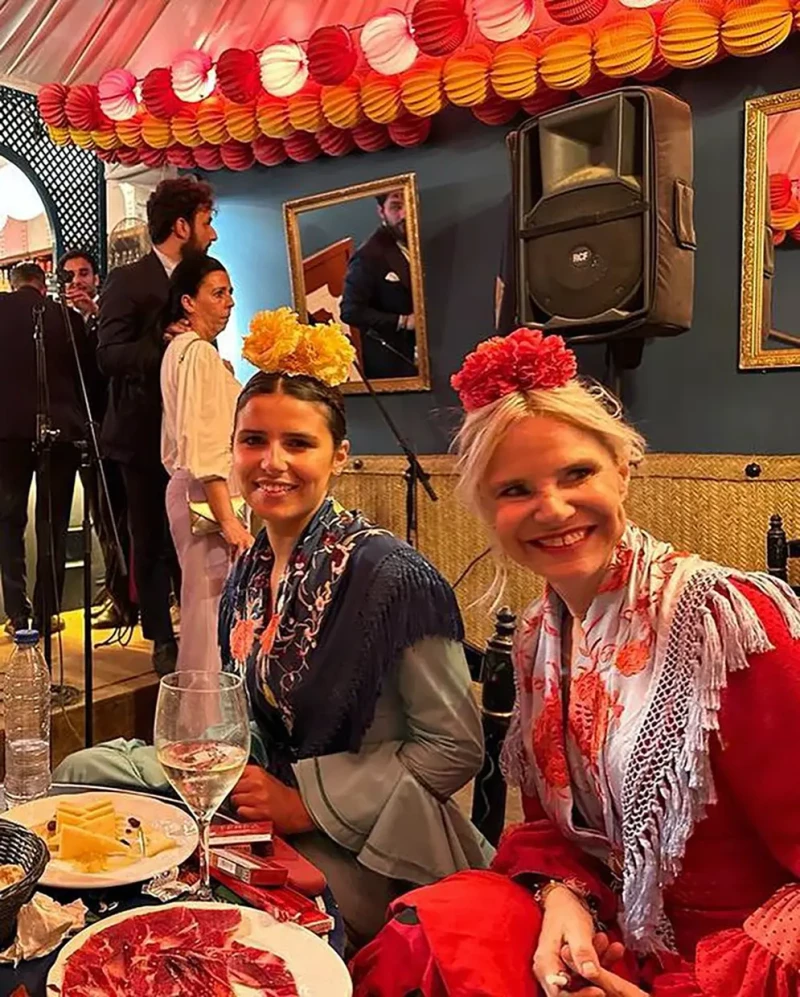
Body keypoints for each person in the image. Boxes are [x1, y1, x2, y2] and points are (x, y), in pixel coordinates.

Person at [351, 328, 800, 997]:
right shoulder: (541, 635)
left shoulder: (728, 626)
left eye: (577, 473)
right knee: (420, 943)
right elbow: (551, 827)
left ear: (622, 468)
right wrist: (564, 897)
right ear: (486, 509)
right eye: (515, 489)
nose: (552, 508)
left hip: (729, 969)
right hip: (606, 938)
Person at [55, 310, 490, 947]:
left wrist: (302, 803)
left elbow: (454, 750)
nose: (271, 463)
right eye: (253, 441)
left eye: (298, 444)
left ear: (339, 456)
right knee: (85, 771)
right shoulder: (253, 564)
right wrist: (213, 761)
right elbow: (246, 717)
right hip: (259, 791)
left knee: (206, 910)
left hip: (370, 841)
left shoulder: (394, 579)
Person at [97, 177, 217, 675]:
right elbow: (107, 355)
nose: (213, 235)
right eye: (207, 223)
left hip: (196, 431)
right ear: (181, 225)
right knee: (149, 537)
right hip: (143, 433)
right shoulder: (128, 281)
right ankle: (161, 636)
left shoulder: (202, 277)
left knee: (200, 533)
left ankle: (204, 629)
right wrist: (163, 346)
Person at [160, 254, 252, 673]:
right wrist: (227, 518)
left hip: (194, 490)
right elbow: (204, 441)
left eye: (230, 292)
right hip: (206, 496)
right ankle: (206, 727)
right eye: (217, 293)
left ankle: (207, 724)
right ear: (188, 302)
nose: (229, 301)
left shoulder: (183, 349)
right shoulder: (196, 352)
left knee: (209, 614)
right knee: (210, 617)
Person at [0, 263, 92, 634]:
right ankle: (45, 611)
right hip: (61, 430)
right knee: (51, 522)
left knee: (8, 521)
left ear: (12, 284)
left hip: (6, 433)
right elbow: (88, 374)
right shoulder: (66, 318)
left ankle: (17, 614)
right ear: (43, 285)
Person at [58, 248, 136, 632]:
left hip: (115, 432)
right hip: (85, 435)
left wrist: (93, 312)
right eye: (70, 276)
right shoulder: (59, 325)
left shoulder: (108, 317)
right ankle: (116, 594)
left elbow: (109, 369)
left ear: (96, 278)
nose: (77, 282)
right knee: (102, 520)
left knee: (117, 520)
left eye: (84, 273)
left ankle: (125, 600)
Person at [340, 190, 417, 380]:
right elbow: (350, 310)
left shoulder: (422, 240)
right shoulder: (368, 255)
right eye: (396, 207)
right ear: (381, 212)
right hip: (396, 365)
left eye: (410, 203)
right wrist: (403, 321)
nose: (405, 214)